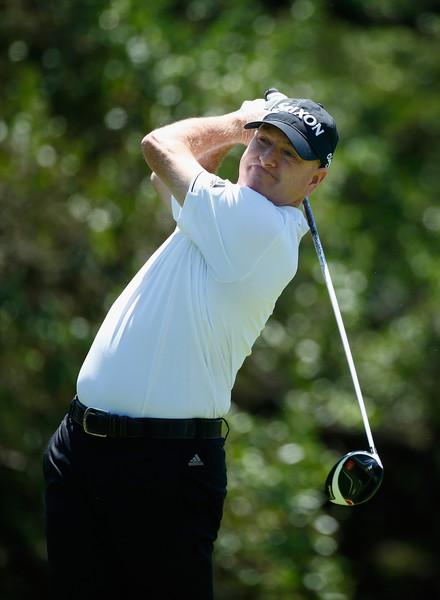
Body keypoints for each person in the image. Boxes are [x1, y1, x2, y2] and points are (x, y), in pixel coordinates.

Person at [43, 91, 338, 599]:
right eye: (262, 142)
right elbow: (171, 178)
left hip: (164, 466)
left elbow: (160, 146)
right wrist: (234, 138)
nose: (265, 158)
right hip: (82, 447)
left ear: (315, 180)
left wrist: (236, 120)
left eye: (288, 154)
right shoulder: (223, 218)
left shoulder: (258, 225)